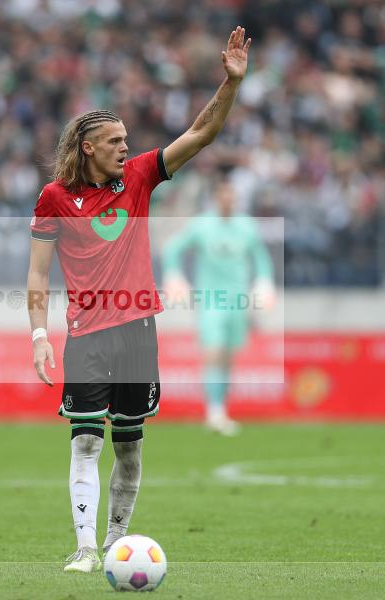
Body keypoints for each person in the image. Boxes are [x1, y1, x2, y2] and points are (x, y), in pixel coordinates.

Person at [26, 27, 252, 573]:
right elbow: (36, 275)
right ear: (88, 147)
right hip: (85, 335)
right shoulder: (55, 197)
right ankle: (83, 548)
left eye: (128, 139)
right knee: (85, 444)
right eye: (116, 140)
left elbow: (200, 135)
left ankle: (116, 544)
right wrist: (38, 336)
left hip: (137, 331)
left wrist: (230, 83)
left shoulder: (141, 178)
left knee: (128, 447)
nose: (127, 147)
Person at [162, 179, 276, 436]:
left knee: (227, 356)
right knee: (213, 352)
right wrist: (173, 275)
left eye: (232, 195)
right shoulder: (202, 225)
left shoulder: (246, 226)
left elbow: (261, 258)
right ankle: (213, 411)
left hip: (238, 300)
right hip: (211, 300)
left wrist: (265, 281)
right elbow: (172, 249)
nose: (228, 200)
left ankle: (221, 409)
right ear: (216, 197)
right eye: (224, 195)